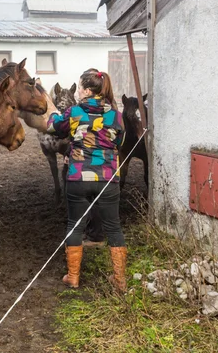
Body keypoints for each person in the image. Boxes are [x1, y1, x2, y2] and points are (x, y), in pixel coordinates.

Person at [46, 68, 127, 292]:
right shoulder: (115, 115)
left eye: (80, 87)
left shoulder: (74, 112)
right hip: (108, 179)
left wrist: (53, 113)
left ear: (88, 90)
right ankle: (120, 281)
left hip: (78, 176)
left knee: (75, 226)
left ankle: (73, 277)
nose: (78, 91)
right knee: (114, 228)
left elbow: (53, 127)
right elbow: (119, 142)